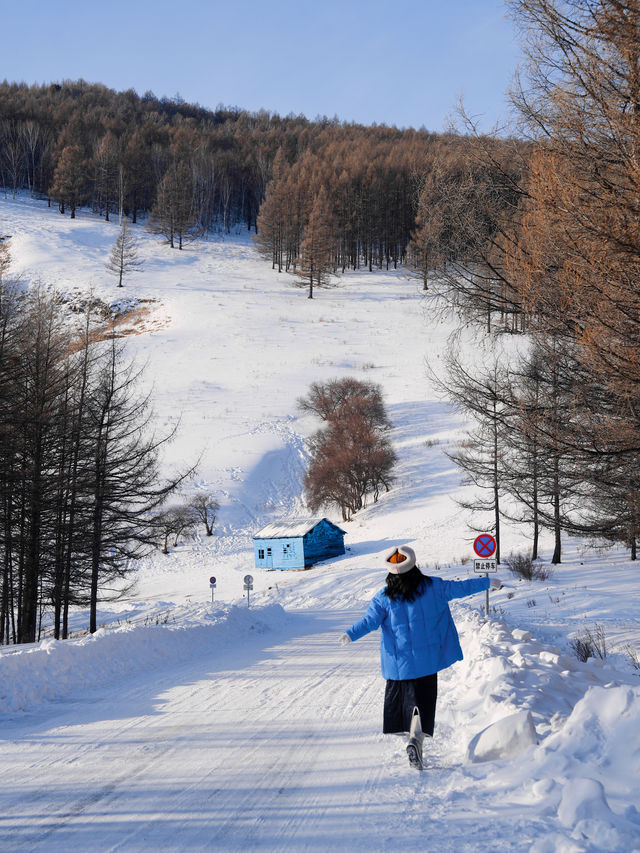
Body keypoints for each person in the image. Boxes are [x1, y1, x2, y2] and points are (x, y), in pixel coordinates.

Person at [340, 544, 502, 770]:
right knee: (423, 705)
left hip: (399, 666)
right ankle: (416, 740)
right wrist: (487, 582)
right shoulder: (434, 587)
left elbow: (369, 622)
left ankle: (411, 739)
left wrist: (350, 634)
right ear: (414, 565)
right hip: (427, 663)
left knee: (404, 707)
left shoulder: (383, 598)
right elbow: (462, 588)